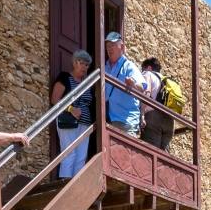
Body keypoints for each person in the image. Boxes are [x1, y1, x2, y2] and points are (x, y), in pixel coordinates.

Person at [51, 50, 95, 179]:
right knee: (69, 153)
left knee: (81, 156)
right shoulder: (65, 77)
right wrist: (71, 109)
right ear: (75, 63)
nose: (85, 67)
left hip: (85, 123)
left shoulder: (87, 82)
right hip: (68, 121)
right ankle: (64, 183)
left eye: (87, 65)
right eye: (82, 63)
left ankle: (76, 185)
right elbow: (55, 100)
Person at [101, 31, 146, 140]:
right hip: (109, 118)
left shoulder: (128, 66)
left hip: (125, 120)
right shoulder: (105, 67)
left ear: (122, 47)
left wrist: (133, 85)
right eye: (108, 46)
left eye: (113, 45)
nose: (109, 49)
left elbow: (142, 87)